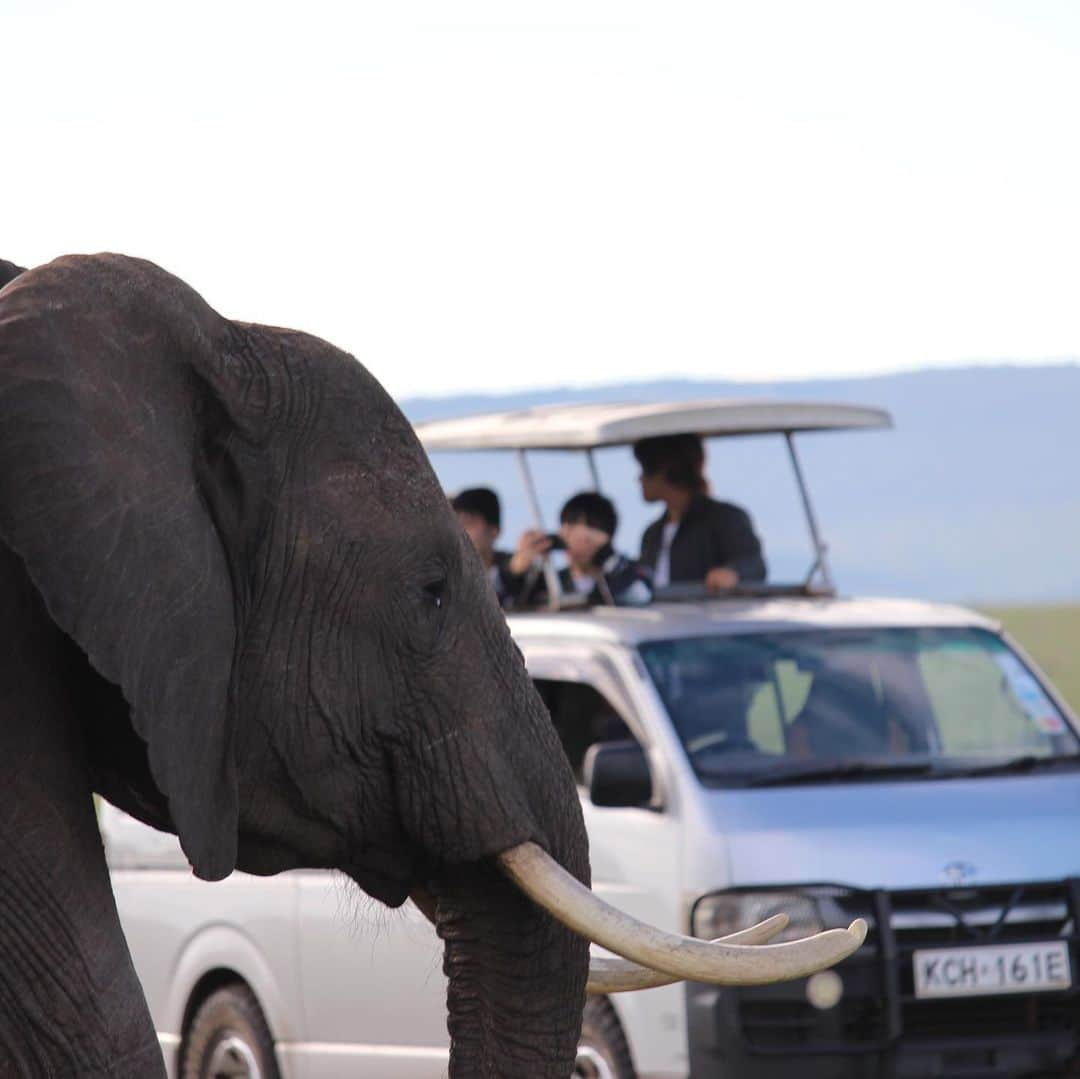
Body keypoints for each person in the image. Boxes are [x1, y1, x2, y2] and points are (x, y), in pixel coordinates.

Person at [633, 433, 766, 592]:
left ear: (664, 470)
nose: (639, 479)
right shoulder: (652, 534)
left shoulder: (725, 518)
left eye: (644, 469)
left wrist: (732, 574)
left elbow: (754, 564)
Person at [502, 492, 653, 608]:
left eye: (574, 527)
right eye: (564, 526)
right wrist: (515, 569)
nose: (567, 535)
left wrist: (605, 555)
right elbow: (500, 602)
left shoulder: (625, 575)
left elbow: (640, 595)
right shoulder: (551, 582)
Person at [450, 487, 515, 602]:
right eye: (453, 523)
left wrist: (514, 572)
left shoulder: (515, 571)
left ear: (494, 530)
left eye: (468, 523)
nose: (458, 531)